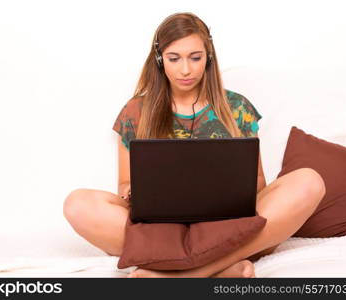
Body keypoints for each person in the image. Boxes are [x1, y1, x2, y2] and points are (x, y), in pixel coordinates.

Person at [63, 12, 326, 278]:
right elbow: (124, 185)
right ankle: (222, 267)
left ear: (209, 57)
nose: (185, 70)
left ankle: (186, 274)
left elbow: (258, 182)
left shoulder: (238, 108)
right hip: (162, 229)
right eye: (174, 59)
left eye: (195, 57)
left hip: (226, 225)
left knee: (309, 181)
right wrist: (134, 192)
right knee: (78, 204)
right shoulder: (135, 111)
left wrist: (227, 190)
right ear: (159, 59)